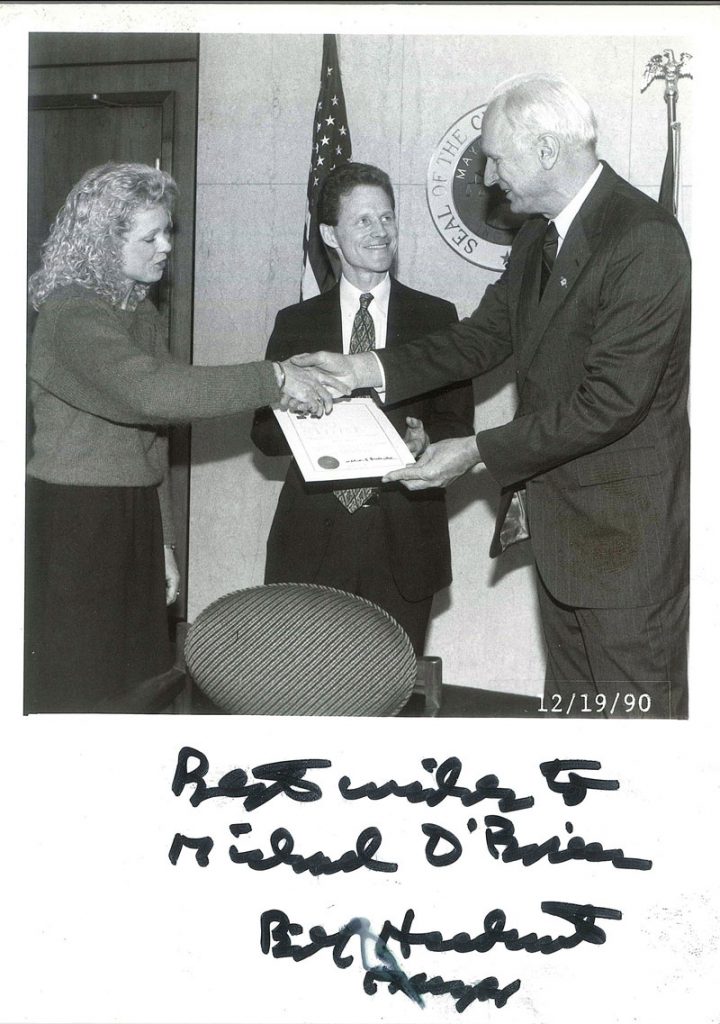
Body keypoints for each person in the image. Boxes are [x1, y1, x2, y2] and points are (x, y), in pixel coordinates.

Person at [292, 74, 691, 719]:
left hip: (624, 543)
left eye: (497, 159)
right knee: (574, 726)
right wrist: (362, 368)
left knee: (634, 728)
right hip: (560, 532)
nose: (490, 179)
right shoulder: (537, 235)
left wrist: (475, 450)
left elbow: (610, 401)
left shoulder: (642, 238)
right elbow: (479, 340)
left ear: (545, 151)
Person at [25, 162, 342, 714]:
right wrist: (274, 378)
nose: (167, 246)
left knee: (139, 678)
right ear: (103, 242)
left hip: (132, 512)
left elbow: (151, 441)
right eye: (150, 236)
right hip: (77, 519)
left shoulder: (135, 309)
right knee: (79, 687)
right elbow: (154, 394)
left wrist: (164, 543)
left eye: (167, 231)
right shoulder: (71, 313)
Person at [251, 163, 475, 655]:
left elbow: (458, 424)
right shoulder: (296, 323)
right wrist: (292, 408)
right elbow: (264, 438)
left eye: (388, 218)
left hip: (403, 540)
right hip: (312, 538)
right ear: (330, 233)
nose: (381, 232)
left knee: (385, 693)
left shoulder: (437, 319)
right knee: (304, 694)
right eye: (364, 221)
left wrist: (425, 442)